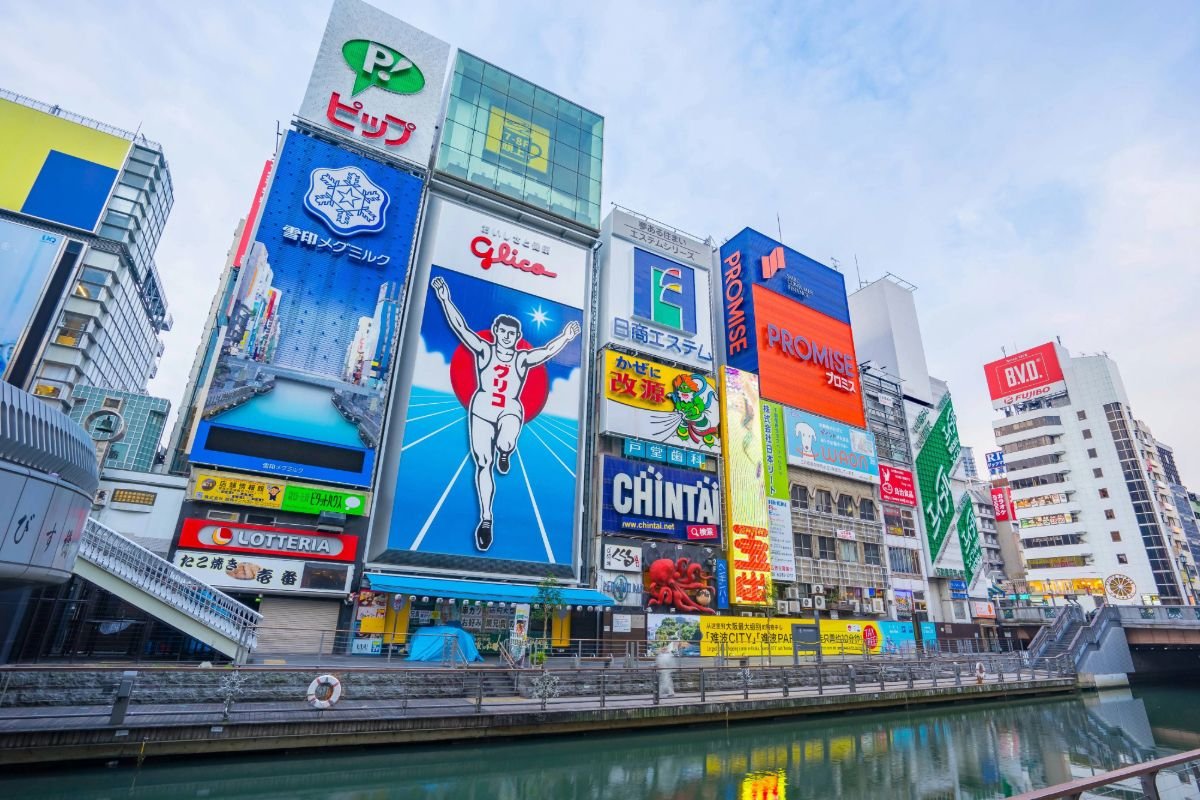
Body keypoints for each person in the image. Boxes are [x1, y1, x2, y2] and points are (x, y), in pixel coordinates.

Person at [430, 276, 581, 551]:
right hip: (482, 409)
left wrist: (567, 337)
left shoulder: (521, 359)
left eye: (512, 334)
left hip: (510, 408)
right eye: (503, 332)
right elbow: (460, 327)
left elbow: (547, 351)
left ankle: (505, 451)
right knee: (482, 464)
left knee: (506, 441)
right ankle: (486, 519)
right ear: (496, 332)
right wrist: (444, 299)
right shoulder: (484, 351)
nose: (507, 338)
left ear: (517, 337)